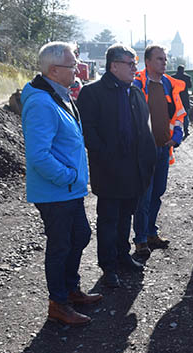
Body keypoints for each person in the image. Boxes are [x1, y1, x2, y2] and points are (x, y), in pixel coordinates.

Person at [21, 42, 102, 326]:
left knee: (79, 236)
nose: (78, 69)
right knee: (61, 245)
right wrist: (67, 176)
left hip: (68, 190)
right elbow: (38, 156)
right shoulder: (42, 103)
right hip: (56, 191)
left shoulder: (59, 95)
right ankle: (58, 302)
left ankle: (70, 289)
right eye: (72, 65)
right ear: (54, 71)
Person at [76, 44, 157, 288]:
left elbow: (144, 129)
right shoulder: (93, 93)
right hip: (110, 171)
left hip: (133, 170)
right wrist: (106, 156)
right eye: (130, 64)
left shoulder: (134, 93)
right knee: (108, 220)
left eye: (135, 64)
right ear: (114, 66)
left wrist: (148, 160)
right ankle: (108, 266)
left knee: (125, 218)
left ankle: (123, 256)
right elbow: (88, 132)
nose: (135, 68)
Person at [131, 45, 186, 262]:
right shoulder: (137, 84)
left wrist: (178, 136)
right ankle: (141, 239)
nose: (164, 62)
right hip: (144, 150)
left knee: (158, 192)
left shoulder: (169, 85)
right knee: (143, 195)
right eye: (160, 59)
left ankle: (151, 233)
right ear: (148, 62)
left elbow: (180, 113)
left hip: (164, 146)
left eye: (165, 59)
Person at [172, 65, 193, 138]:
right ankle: (186, 131)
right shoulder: (187, 77)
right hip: (185, 99)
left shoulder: (173, 77)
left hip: (175, 99)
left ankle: (175, 132)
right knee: (185, 116)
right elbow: (190, 86)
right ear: (183, 70)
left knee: (175, 116)